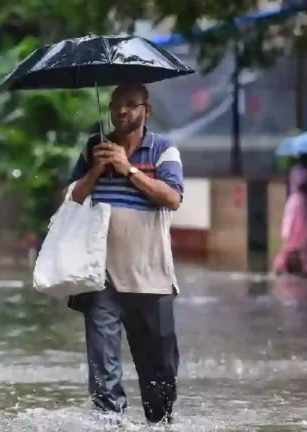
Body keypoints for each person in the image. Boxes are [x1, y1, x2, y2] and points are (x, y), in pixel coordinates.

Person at [66, 84, 184, 424]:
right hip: (99, 278)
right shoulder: (95, 147)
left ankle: (159, 425)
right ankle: (111, 424)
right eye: (117, 105)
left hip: (152, 278)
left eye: (131, 105)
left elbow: (173, 198)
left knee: (159, 375)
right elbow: (70, 197)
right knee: (103, 370)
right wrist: (96, 171)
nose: (121, 112)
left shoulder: (164, 149)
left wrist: (127, 169)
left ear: (146, 110)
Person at [273, 154, 307, 276]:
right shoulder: (296, 172)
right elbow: (300, 186)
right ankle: (280, 265)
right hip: (300, 207)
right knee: (291, 242)